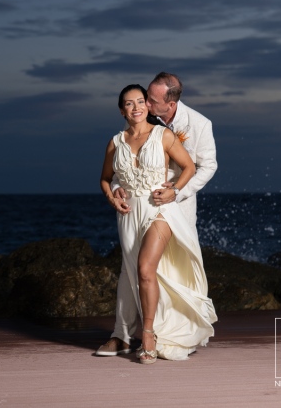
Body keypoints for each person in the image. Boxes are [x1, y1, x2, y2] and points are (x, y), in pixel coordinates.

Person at [97, 72, 218, 358]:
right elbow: (120, 171)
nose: (144, 105)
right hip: (133, 207)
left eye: (149, 100)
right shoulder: (126, 134)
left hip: (174, 205)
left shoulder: (198, 124)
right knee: (132, 270)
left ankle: (171, 331)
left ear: (170, 101)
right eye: (139, 100)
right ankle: (123, 334)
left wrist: (177, 191)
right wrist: (116, 189)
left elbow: (206, 166)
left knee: (167, 268)